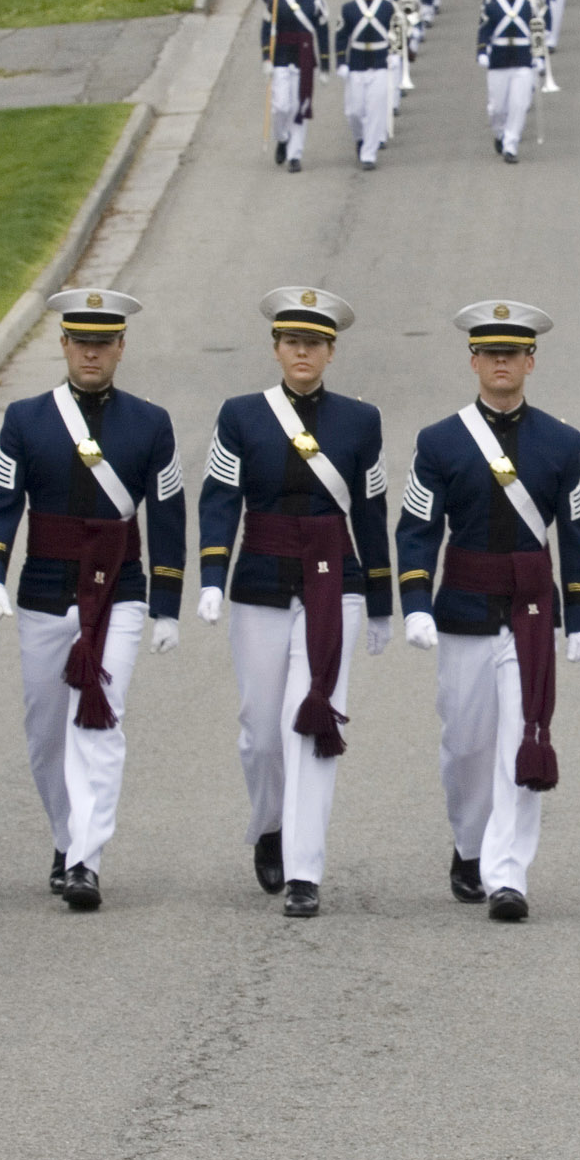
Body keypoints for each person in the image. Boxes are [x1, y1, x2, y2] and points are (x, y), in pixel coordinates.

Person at [0, 288, 185, 910]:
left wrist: (167, 603)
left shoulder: (151, 423)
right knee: (46, 732)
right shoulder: (25, 419)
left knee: (101, 718)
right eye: (81, 343)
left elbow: (167, 515)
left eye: (104, 343)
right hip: (45, 588)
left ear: (121, 347)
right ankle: (66, 838)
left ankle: (86, 859)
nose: (92, 354)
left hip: (119, 588)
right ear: (64, 345)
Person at [395, 302, 580, 922]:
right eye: (490, 354)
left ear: (530, 362)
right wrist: (415, 603)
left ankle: (508, 874)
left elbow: (578, 533)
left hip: (532, 610)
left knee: (522, 737)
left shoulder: (562, 442)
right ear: (474, 362)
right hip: (464, 609)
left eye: (513, 354)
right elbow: (417, 528)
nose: (501, 363)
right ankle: (470, 844)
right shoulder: (439, 441)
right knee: (466, 745)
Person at [197, 288, 393, 919]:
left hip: (336, 583)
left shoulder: (361, 421)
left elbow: (371, 510)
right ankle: (272, 824)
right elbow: (220, 498)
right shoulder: (240, 415)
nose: (302, 352)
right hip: (261, 579)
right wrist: (210, 576)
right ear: (276, 348)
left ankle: (304, 870)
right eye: (291, 342)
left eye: (313, 343)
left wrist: (382, 599)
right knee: (260, 733)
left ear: (331, 352)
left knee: (311, 723)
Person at [259, 0, 329, 171]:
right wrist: (266, 58)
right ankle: (282, 138)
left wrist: (325, 65)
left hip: (303, 60)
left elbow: (322, 34)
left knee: (299, 108)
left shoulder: (315, 2)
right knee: (280, 107)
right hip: (281, 58)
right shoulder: (275, 1)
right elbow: (265, 31)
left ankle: (295, 155)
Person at [337, 0, 398, 170]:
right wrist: (341, 62)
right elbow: (341, 36)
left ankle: (369, 154)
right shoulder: (349, 9)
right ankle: (360, 138)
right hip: (357, 64)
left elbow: (397, 31)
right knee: (354, 111)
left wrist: (395, 53)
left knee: (375, 110)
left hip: (380, 63)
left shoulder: (388, 7)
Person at [477, 0, 539, 163]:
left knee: (519, 104)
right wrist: (482, 52)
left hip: (522, 61)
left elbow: (537, 33)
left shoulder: (528, 6)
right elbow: (483, 31)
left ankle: (511, 145)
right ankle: (500, 133)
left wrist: (539, 57)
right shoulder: (492, 7)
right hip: (499, 62)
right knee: (497, 108)